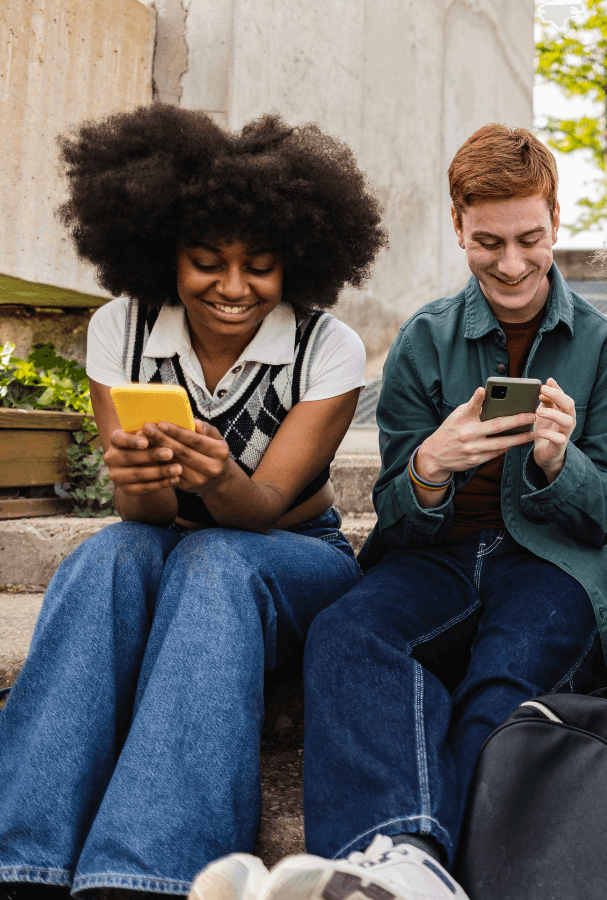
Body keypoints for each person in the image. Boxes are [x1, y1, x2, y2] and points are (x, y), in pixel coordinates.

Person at [198, 124, 607, 900]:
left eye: (530, 238)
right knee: (348, 631)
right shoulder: (425, 339)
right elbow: (395, 516)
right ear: (459, 226)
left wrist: (558, 464)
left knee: (499, 690)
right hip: (433, 560)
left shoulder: (602, 347)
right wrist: (430, 468)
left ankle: (414, 871)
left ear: (557, 223)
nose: (511, 263)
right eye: (488, 240)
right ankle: (391, 856)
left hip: (553, 566)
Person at [0, 104, 384, 900]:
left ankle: (150, 868)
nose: (234, 288)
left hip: (295, 554)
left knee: (214, 556)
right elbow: (142, 521)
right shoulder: (123, 329)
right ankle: (22, 855)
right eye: (207, 261)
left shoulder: (327, 348)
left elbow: (266, 504)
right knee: (108, 553)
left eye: (261, 266)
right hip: (167, 540)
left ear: (298, 264)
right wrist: (140, 484)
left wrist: (214, 476)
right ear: (163, 255)